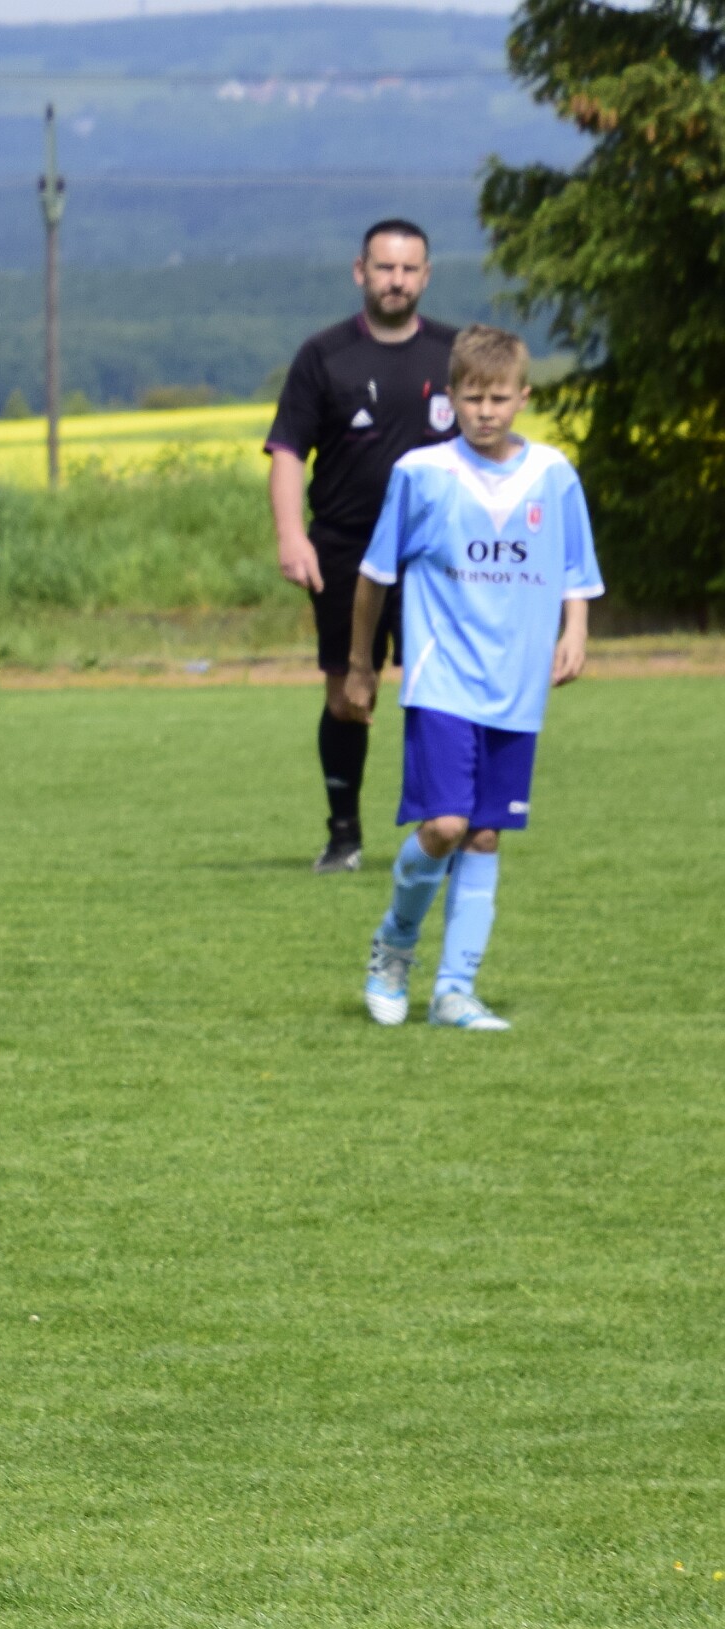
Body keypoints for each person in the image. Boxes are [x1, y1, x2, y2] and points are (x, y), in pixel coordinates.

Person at [334, 325, 599, 1031]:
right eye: (473, 398)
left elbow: (576, 569)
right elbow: (374, 576)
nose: (486, 411)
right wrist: (360, 665)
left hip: (516, 686)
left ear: (523, 397)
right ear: (450, 398)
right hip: (441, 679)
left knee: (484, 835)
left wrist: (574, 631)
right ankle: (394, 946)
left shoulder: (554, 475)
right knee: (446, 825)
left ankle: (455, 991)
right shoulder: (422, 474)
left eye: (499, 398)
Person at [266, 218, 459, 872]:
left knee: (441, 696)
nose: (396, 280)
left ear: (426, 276)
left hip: (437, 557)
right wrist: (292, 535)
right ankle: (343, 836)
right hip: (347, 550)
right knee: (349, 693)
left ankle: (444, 826)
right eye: (384, 268)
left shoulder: (455, 353)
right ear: (360, 272)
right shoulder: (324, 355)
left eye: (408, 269)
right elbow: (287, 450)